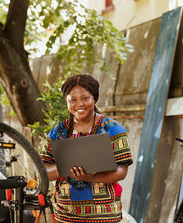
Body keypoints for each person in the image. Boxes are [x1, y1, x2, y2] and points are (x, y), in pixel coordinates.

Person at [40, 74, 133, 223]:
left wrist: (91, 178)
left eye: (85, 98)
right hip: (66, 216)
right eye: (73, 99)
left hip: (104, 216)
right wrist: (68, 167)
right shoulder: (58, 131)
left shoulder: (112, 129)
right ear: (66, 100)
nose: (79, 104)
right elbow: (43, 172)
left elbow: (121, 172)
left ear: (94, 98)